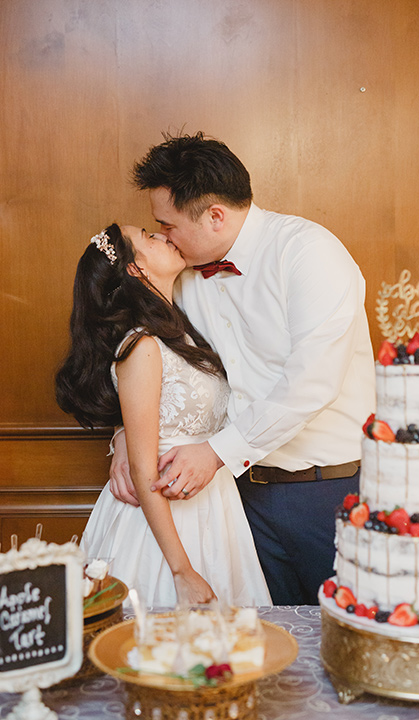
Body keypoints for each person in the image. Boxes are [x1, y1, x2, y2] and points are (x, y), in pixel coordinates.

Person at [110, 132, 376, 605]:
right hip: (235, 501)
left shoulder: (309, 254)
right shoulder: (183, 278)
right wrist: (124, 440)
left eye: (166, 225)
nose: (162, 237)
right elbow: (162, 374)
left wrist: (216, 452)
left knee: (344, 640)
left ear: (215, 216)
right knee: (258, 648)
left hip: (327, 491)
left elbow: (310, 383)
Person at [55, 223, 271, 607]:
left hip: (215, 509)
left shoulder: (183, 330)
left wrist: (119, 430)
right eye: (148, 237)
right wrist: (181, 570)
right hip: (161, 518)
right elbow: (143, 470)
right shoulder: (141, 346)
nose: (163, 236)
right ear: (135, 270)